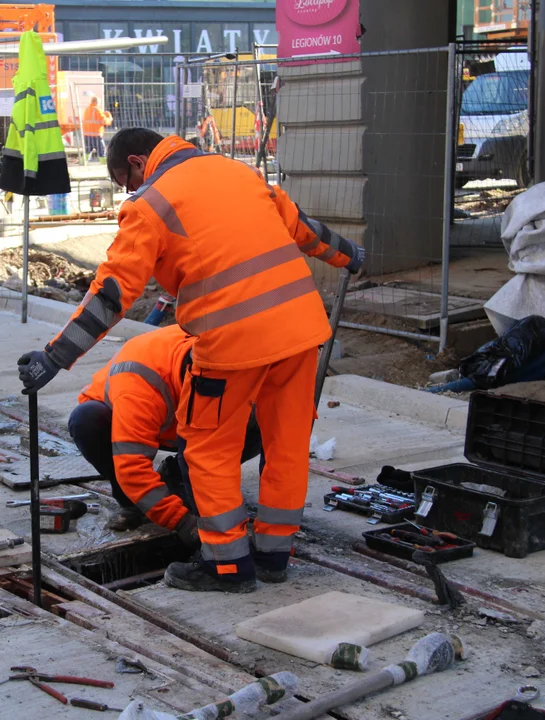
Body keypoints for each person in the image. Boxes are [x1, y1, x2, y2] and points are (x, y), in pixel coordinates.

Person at [18, 128, 364, 594]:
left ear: (139, 162)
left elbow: (111, 295)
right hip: (302, 331)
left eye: (125, 180)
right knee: (286, 445)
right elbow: (303, 229)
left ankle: (226, 566)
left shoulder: (151, 204)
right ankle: (274, 557)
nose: (129, 191)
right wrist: (349, 255)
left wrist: (53, 357)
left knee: (207, 450)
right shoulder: (238, 172)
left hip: (232, 340)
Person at [68, 324, 262, 541]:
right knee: (86, 420)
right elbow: (132, 467)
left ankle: (177, 477)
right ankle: (132, 503)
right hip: (128, 420)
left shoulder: (231, 362)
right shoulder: (139, 381)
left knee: (259, 425)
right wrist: (182, 523)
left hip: (183, 427)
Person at [81, 95, 113, 162]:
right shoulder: (97, 110)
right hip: (96, 135)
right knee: (101, 150)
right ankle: (103, 163)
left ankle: (83, 162)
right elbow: (104, 121)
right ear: (97, 102)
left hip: (87, 134)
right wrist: (109, 118)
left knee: (87, 151)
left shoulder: (87, 109)